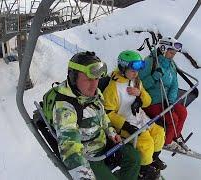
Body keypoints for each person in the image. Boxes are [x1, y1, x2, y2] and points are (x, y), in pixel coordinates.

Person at [52, 51, 141, 180]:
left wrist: (111, 132)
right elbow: (70, 148)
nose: (94, 85)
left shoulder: (94, 93)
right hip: (89, 156)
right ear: (73, 77)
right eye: (88, 79)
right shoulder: (66, 108)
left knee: (134, 158)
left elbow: (102, 114)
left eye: (97, 79)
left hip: (104, 142)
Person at [103, 50, 165, 179]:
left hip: (139, 117)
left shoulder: (136, 81)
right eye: (132, 70)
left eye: (137, 70)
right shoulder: (113, 87)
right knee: (146, 143)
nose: (136, 73)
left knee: (159, 132)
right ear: (123, 68)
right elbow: (108, 112)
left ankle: (152, 160)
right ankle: (143, 170)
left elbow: (147, 103)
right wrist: (125, 125)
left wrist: (139, 94)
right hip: (126, 123)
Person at [139, 37, 189, 152]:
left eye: (174, 53)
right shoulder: (150, 62)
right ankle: (166, 142)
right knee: (173, 118)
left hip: (165, 100)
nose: (173, 55)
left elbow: (174, 85)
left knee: (182, 112)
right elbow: (139, 84)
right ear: (163, 49)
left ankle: (176, 136)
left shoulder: (171, 65)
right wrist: (154, 77)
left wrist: (170, 102)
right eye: (171, 52)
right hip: (151, 101)